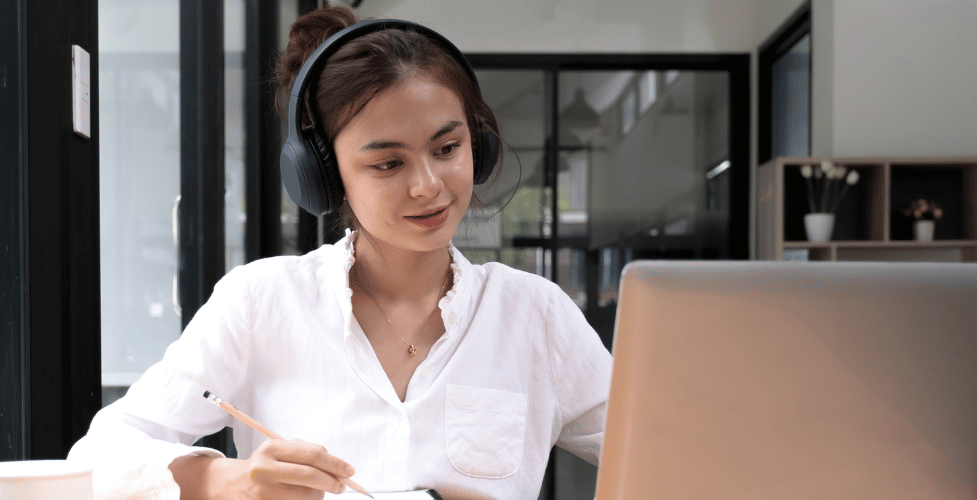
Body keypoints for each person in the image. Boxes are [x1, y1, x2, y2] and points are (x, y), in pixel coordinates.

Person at [67, 6, 612, 500]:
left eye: (447, 149)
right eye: (387, 164)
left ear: (480, 143)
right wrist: (223, 480)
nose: (428, 185)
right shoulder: (262, 301)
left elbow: (669, 456)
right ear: (325, 178)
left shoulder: (535, 314)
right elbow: (96, 459)